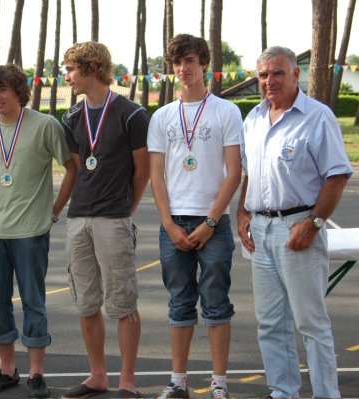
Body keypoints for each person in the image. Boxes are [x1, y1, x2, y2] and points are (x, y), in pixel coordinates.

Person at [237, 46, 353, 399]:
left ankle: (325, 394)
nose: (269, 81)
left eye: (277, 73)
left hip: (299, 226)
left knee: (310, 323)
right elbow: (248, 174)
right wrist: (242, 213)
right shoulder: (253, 119)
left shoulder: (317, 117)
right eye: (262, 75)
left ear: (295, 75)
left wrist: (314, 223)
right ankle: (282, 392)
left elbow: (337, 176)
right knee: (271, 323)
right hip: (261, 229)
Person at [0, 64, 76, 398]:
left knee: (34, 302)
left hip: (31, 231)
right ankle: (6, 370)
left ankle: (36, 374)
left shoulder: (45, 125)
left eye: (2, 89)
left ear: (19, 91)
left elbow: (71, 169)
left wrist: (54, 212)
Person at [147, 34, 242, 399]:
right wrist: (169, 223)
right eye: (177, 63)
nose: (183, 69)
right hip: (174, 224)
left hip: (212, 224)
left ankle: (219, 384)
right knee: (179, 303)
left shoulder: (226, 111)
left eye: (190, 61)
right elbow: (156, 175)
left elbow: (234, 172)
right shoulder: (163, 116)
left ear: (204, 64)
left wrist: (211, 222)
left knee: (216, 303)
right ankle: (178, 381)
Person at [61, 41, 150, 398]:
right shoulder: (70, 117)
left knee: (123, 302)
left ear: (91, 68)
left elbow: (141, 170)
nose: (66, 76)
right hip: (79, 218)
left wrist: (125, 210)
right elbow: (80, 166)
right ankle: (97, 375)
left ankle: (126, 381)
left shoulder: (131, 113)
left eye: (70, 69)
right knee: (86, 302)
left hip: (114, 218)